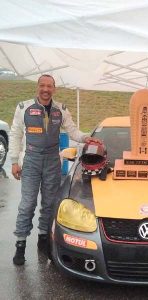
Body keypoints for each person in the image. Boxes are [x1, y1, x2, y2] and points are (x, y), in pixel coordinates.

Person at [9, 74, 101, 265]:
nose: (45, 89)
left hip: (52, 160)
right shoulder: (23, 107)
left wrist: (86, 138)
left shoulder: (61, 109)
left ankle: (44, 239)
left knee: (50, 204)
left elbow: (73, 131)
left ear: (54, 88)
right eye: (42, 85)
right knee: (27, 204)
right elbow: (16, 133)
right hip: (31, 160)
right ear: (38, 87)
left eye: (49, 86)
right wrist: (14, 160)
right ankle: (21, 244)